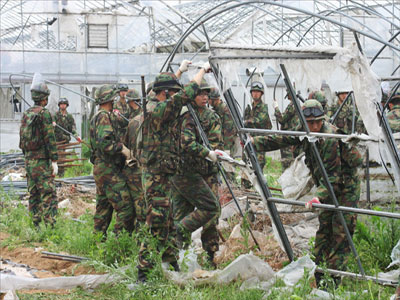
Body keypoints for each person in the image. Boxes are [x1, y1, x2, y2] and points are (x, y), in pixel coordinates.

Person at [251, 99, 362, 288]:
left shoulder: (329, 138)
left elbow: (333, 177)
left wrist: (319, 196)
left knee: (340, 233)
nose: (314, 126)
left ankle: (332, 283)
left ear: (322, 119)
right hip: (326, 187)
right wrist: (254, 142)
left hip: (345, 189)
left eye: (318, 122)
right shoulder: (304, 130)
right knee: (324, 231)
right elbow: (283, 138)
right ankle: (318, 275)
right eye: (310, 123)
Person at [136, 61, 210, 282]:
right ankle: (143, 274)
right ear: (164, 94)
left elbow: (160, 87)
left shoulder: (153, 101)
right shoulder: (158, 109)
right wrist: (202, 71)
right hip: (156, 176)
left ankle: (172, 264)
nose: (174, 97)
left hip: (161, 174)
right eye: (171, 93)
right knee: (156, 222)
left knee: (167, 221)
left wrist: (178, 72)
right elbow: (184, 95)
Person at [171, 79, 223, 268]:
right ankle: (179, 256)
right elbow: (184, 142)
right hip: (187, 171)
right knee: (181, 212)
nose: (204, 97)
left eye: (206, 94)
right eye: (200, 93)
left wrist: (212, 154)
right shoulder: (185, 116)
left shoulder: (211, 117)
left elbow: (216, 143)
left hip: (207, 171)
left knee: (210, 216)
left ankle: (210, 255)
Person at [89, 84, 135, 238]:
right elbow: (105, 143)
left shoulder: (101, 116)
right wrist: (122, 149)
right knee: (126, 207)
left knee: (103, 208)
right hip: (108, 169)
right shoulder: (103, 116)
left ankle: (98, 242)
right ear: (110, 99)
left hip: (101, 168)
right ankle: (118, 242)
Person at [19, 82, 58, 226]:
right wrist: (54, 160)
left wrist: (28, 156)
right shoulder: (44, 114)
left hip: (29, 160)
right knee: (48, 193)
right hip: (41, 161)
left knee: (34, 193)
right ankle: (50, 225)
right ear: (43, 98)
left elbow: (22, 138)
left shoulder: (26, 113)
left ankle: (35, 223)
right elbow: (50, 139)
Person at [122, 89, 145, 231]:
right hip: (142, 166)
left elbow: (127, 143)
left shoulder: (134, 121)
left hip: (135, 165)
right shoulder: (136, 118)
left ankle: (137, 232)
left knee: (138, 201)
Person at [243, 81, 272, 187]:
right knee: (246, 165)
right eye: (254, 92)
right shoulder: (249, 108)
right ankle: (246, 188)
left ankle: (259, 190)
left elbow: (259, 120)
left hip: (259, 141)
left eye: (258, 92)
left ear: (261, 94)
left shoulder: (264, 107)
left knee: (258, 166)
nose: (255, 94)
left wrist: (247, 122)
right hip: (248, 140)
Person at [273, 92, 300, 168]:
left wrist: (276, 108)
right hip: (291, 136)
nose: (288, 97)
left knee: (287, 162)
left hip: (289, 137)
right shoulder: (295, 104)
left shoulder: (293, 105)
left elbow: (282, 120)